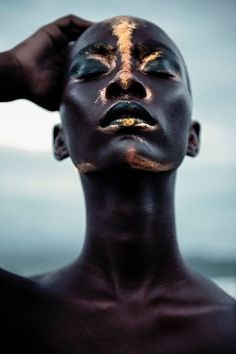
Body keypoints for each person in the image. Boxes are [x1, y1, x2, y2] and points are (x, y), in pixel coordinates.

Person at [0, 14, 235, 354]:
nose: (125, 80)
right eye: (91, 71)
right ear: (60, 140)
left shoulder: (229, 330)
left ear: (191, 137)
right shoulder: (13, 313)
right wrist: (11, 72)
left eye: (158, 69)